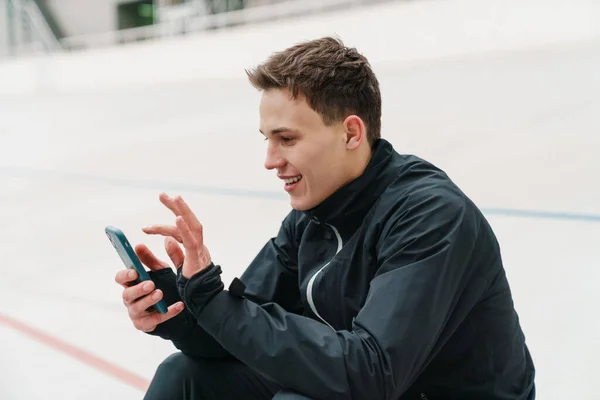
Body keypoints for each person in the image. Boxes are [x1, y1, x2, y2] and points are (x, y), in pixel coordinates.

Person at [114, 36, 536, 400]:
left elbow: (372, 374)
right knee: (184, 377)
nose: (270, 160)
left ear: (351, 133)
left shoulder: (431, 215)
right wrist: (181, 305)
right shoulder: (312, 215)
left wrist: (211, 303)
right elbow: (244, 331)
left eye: (287, 139)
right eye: (267, 140)